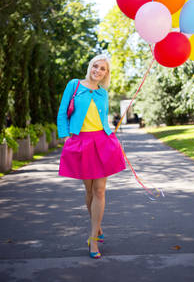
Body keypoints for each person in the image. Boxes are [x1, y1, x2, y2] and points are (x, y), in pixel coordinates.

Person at [57, 54, 126, 259]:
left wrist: (113, 137)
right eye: (95, 66)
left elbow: (102, 118)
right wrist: (65, 137)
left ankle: (93, 239)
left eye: (102, 68)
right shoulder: (75, 85)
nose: (98, 70)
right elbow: (62, 112)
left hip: (103, 141)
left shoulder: (103, 93)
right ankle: (98, 226)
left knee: (100, 190)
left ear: (106, 73)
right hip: (81, 141)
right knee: (88, 191)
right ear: (90, 67)